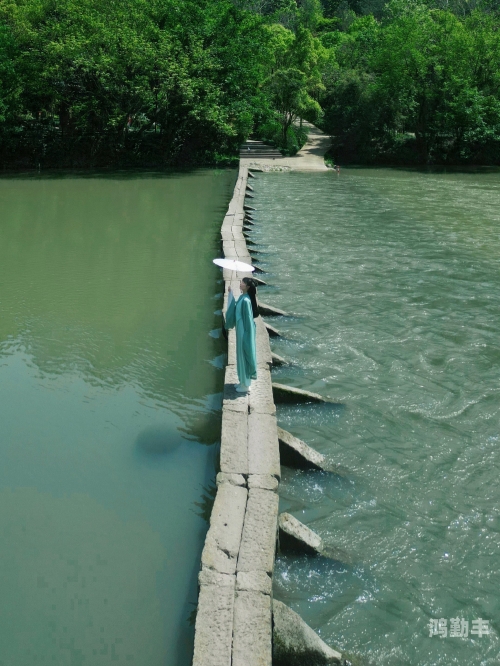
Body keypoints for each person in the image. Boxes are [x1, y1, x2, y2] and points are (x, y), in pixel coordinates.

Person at [225, 277, 258, 392]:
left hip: (244, 332)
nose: (240, 283)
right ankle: (242, 381)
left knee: (243, 356)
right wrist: (230, 295)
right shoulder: (242, 297)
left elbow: (248, 321)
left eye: (243, 282)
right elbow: (235, 310)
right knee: (240, 356)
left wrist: (247, 337)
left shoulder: (246, 301)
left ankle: (246, 385)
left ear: (247, 287)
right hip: (240, 330)